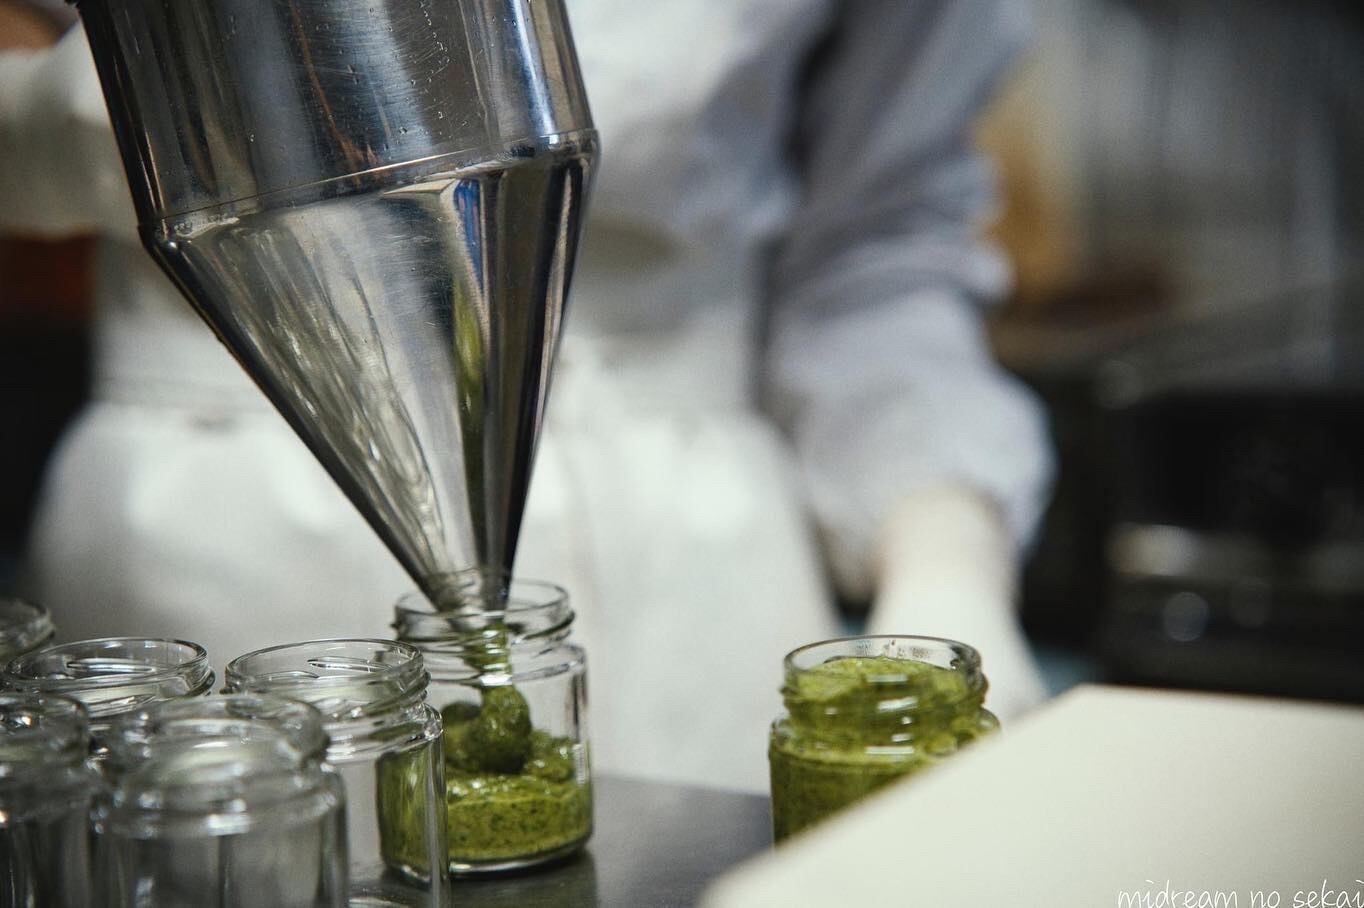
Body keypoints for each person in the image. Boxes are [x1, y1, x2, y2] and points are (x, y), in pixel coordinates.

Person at [1, 0, 1052, 792]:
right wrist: (58, 126)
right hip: (213, 543)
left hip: (698, 584)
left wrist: (944, 552)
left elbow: (877, 238)